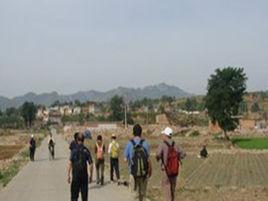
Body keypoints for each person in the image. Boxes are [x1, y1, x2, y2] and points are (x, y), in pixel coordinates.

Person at [156, 127, 186, 201]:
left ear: (165, 134)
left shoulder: (162, 144)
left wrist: (159, 159)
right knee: (172, 188)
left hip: (166, 170)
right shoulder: (175, 144)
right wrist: (178, 158)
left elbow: (158, 155)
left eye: (163, 134)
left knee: (166, 188)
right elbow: (184, 153)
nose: (162, 135)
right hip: (174, 170)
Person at [124, 124, 152, 201]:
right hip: (144, 174)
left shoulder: (129, 144)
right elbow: (148, 158)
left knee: (134, 195)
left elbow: (125, 159)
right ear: (141, 133)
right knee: (143, 195)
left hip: (133, 174)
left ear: (133, 133)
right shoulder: (145, 143)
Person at [67, 133, 93, 201]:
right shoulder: (86, 150)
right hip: (84, 177)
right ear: (83, 140)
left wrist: (68, 175)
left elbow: (69, 163)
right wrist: (91, 176)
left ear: (76, 140)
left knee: (74, 197)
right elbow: (91, 164)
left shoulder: (73, 151)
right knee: (84, 197)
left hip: (75, 176)